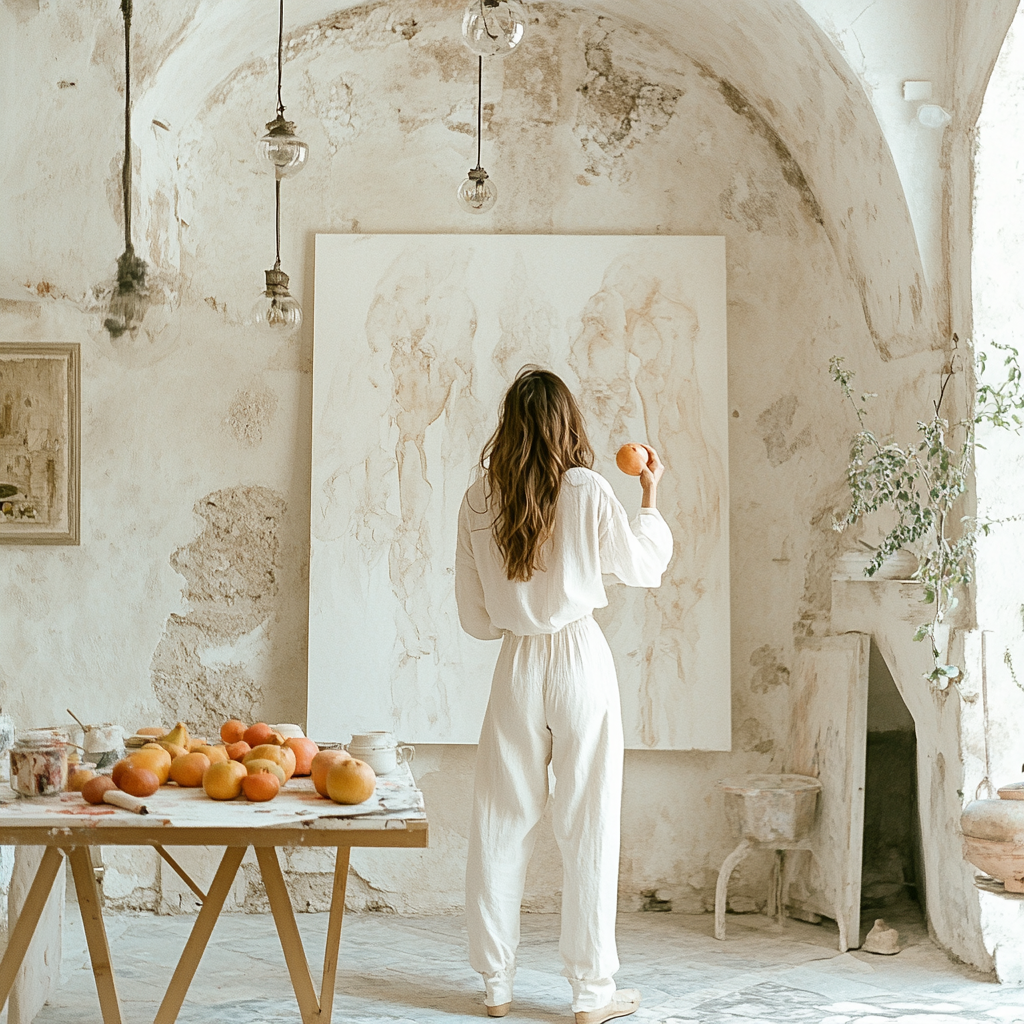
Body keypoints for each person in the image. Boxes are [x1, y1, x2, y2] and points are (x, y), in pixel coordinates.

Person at [455, 367, 673, 1024]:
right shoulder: (586, 488)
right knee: (590, 824)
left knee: (500, 821)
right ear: (567, 423)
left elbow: (474, 619)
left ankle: (496, 985)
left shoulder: (477, 499)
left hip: (518, 665)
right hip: (581, 659)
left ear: (508, 424)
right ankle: (590, 995)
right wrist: (651, 495)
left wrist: (520, 612)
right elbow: (643, 567)